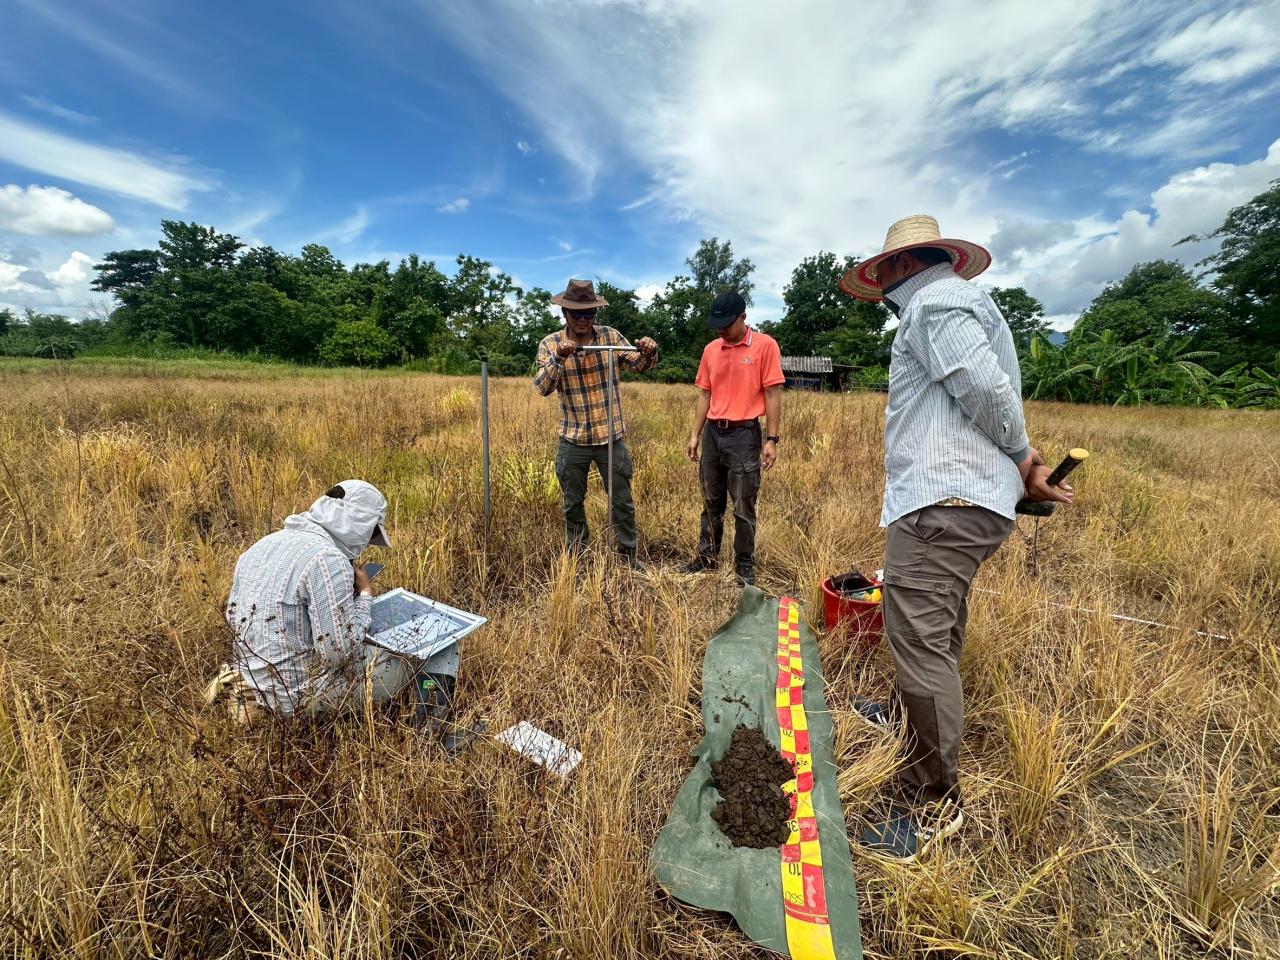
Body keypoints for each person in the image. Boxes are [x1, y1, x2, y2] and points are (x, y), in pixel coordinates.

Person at [839, 215, 1073, 857]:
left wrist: (1023, 459)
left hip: (946, 499)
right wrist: (1021, 463)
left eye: (883, 271)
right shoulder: (959, 301)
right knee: (934, 625)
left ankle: (932, 802)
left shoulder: (934, 304)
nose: (881, 285)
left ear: (898, 265)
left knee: (919, 638)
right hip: (960, 502)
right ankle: (906, 715)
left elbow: (984, 388)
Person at [205, 480, 413, 721]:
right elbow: (337, 654)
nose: (367, 542)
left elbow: (237, 619)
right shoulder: (329, 559)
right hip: (296, 696)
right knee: (417, 657)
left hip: (253, 680)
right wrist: (365, 594)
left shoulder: (261, 546)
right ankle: (427, 725)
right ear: (359, 523)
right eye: (372, 532)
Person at [534, 279, 659, 568]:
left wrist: (649, 350)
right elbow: (542, 387)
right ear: (564, 313)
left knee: (621, 500)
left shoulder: (609, 337)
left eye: (588, 313)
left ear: (595, 313)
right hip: (573, 438)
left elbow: (640, 364)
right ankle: (578, 556)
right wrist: (560, 357)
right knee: (572, 502)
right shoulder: (550, 344)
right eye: (576, 313)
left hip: (610, 436)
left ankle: (628, 556)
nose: (582, 319)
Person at [682, 291, 784, 587]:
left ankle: (744, 566)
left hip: (744, 435)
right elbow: (705, 394)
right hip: (713, 434)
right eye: (717, 326)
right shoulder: (711, 350)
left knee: (743, 505)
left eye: (726, 325)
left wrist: (771, 439)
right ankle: (707, 558)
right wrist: (695, 435)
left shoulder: (765, 346)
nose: (721, 331)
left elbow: (772, 393)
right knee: (710, 501)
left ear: (743, 317)